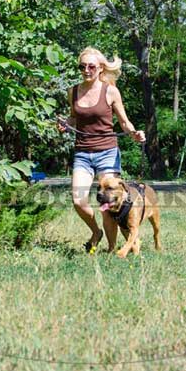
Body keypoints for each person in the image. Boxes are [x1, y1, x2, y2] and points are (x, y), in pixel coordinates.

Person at [57, 47, 146, 253]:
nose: (86, 70)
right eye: (82, 66)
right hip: (82, 152)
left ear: (100, 68)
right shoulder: (74, 91)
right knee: (78, 201)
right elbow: (74, 117)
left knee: (107, 204)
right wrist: (65, 123)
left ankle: (111, 248)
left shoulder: (110, 91)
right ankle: (96, 232)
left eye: (91, 66)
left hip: (107, 152)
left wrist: (135, 133)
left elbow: (124, 122)